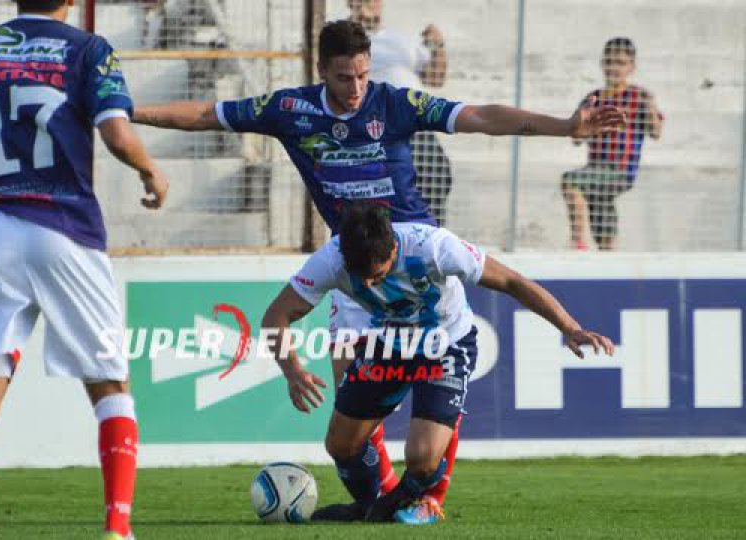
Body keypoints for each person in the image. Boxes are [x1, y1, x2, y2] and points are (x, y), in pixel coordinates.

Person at [132, 19, 623, 523]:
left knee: (426, 413)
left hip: (410, 263)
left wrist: (564, 127)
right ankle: (384, 499)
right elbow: (204, 115)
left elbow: (479, 116)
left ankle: (426, 496)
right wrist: (124, 111)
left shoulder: (395, 104)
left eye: (363, 75)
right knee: (349, 419)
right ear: (320, 69)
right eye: (344, 77)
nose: (356, 89)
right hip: (352, 273)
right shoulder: (290, 110)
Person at [0, 0, 168, 538]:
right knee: (109, 381)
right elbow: (117, 134)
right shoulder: (87, 49)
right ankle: (118, 527)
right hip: (63, 226)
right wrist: (150, 171)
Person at [261, 202, 615, 522]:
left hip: (445, 345)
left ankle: (410, 501)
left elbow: (511, 281)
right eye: (361, 278)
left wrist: (569, 328)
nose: (369, 284)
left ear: (394, 249)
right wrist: (292, 371)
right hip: (389, 344)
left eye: (378, 275)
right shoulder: (332, 258)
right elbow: (277, 314)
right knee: (341, 445)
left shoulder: (433, 246)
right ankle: (371, 505)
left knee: (423, 457)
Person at [348, 0, 454, 226]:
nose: (370, 4)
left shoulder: (401, 40)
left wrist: (438, 46)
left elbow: (435, 78)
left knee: (438, 175)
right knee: (388, 188)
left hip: (417, 122)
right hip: (379, 126)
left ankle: (432, 233)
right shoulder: (345, 39)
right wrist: (358, 23)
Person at [561, 37, 663, 251]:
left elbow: (656, 132)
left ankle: (578, 243)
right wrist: (582, 126)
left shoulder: (639, 97)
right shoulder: (594, 98)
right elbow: (576, 138)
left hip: (620, 170)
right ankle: (609, 252)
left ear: (631, 67)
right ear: (601, 63)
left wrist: (651, 107)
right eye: (609, 62)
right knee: (602, 222)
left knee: (571, 182)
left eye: (620, 63)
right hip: (596, 170)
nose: (613, 67)